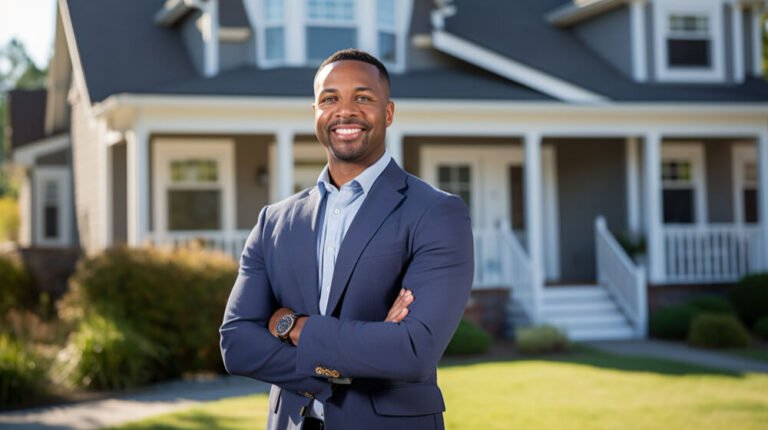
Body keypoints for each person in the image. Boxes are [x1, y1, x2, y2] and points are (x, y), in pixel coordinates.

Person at [220, 49, 474, 430]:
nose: (345, 111)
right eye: (330, 98)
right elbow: (237, 344)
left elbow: (412, 350)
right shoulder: (274, 221)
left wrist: (292, 325)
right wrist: (356, 359)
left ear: (388, 113)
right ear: (315, 114)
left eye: (363, 97)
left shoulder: (436, 213)